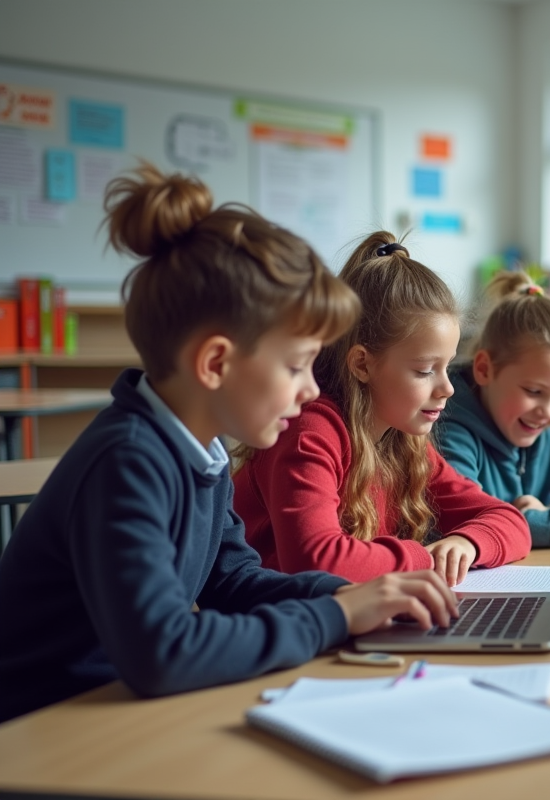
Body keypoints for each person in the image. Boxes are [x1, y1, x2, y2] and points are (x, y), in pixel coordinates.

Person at [0, 165, 458, 723]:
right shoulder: (127, 462)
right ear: (215, 363)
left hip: (111, 711)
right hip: (43, 728)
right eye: (295, 365)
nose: (312, 388)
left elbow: (232, 580)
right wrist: (335, 619)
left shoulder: (201, 452)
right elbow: (162, 653)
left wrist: (348, 599)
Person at [233, 232, 531, 587]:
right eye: (424, 371)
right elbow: (315, 559)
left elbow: (508, 519)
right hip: (283, 627)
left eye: (447, 367)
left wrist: (467, 542)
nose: (447, 388)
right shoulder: (308, 432)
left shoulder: (404, 440)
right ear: (362, 364)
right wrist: (425, 557)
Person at [437, 272, 550, 548]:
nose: (548, 411)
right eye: (534, 392)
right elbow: (473, 521)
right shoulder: (448, 428)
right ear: (484, 369)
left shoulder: (548, 432)